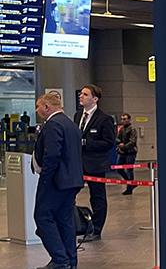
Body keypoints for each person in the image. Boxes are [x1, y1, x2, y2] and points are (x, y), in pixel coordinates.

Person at [32, 91, 83, 269]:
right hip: (72, 180)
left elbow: (52, 155)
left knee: (43, 217)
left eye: (38, 106)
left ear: (47, 107)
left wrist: (45, 179)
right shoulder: (70, 124)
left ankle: (60, 259)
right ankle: (69, 260)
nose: (36, 110)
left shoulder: (53, 125)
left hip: (57, 181)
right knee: (64, 220)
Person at [74, 84, 115, 242]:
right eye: (81, 94)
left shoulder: (104, 119)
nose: (81, 96)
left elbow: (109, 142)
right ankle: (75, 224)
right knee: (69, 193)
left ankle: (96, 230)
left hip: (95, 164)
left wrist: (86, 143)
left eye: (85, 94)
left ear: (95, 99)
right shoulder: (78, 115)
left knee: (97, 197)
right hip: (78, 163)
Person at [115, 113, 139, 195]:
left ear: (129, 119)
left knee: (129, 170)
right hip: (122, 152)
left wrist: (123, 147)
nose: (123, 121)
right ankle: (131, 183)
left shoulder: (132, 129)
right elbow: (117, 138)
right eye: (122, 119)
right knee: (119, 169)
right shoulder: (121, 129)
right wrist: (120, 144)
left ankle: (129, 188)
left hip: (130, 152)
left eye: (125, 119)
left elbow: (132, 142)